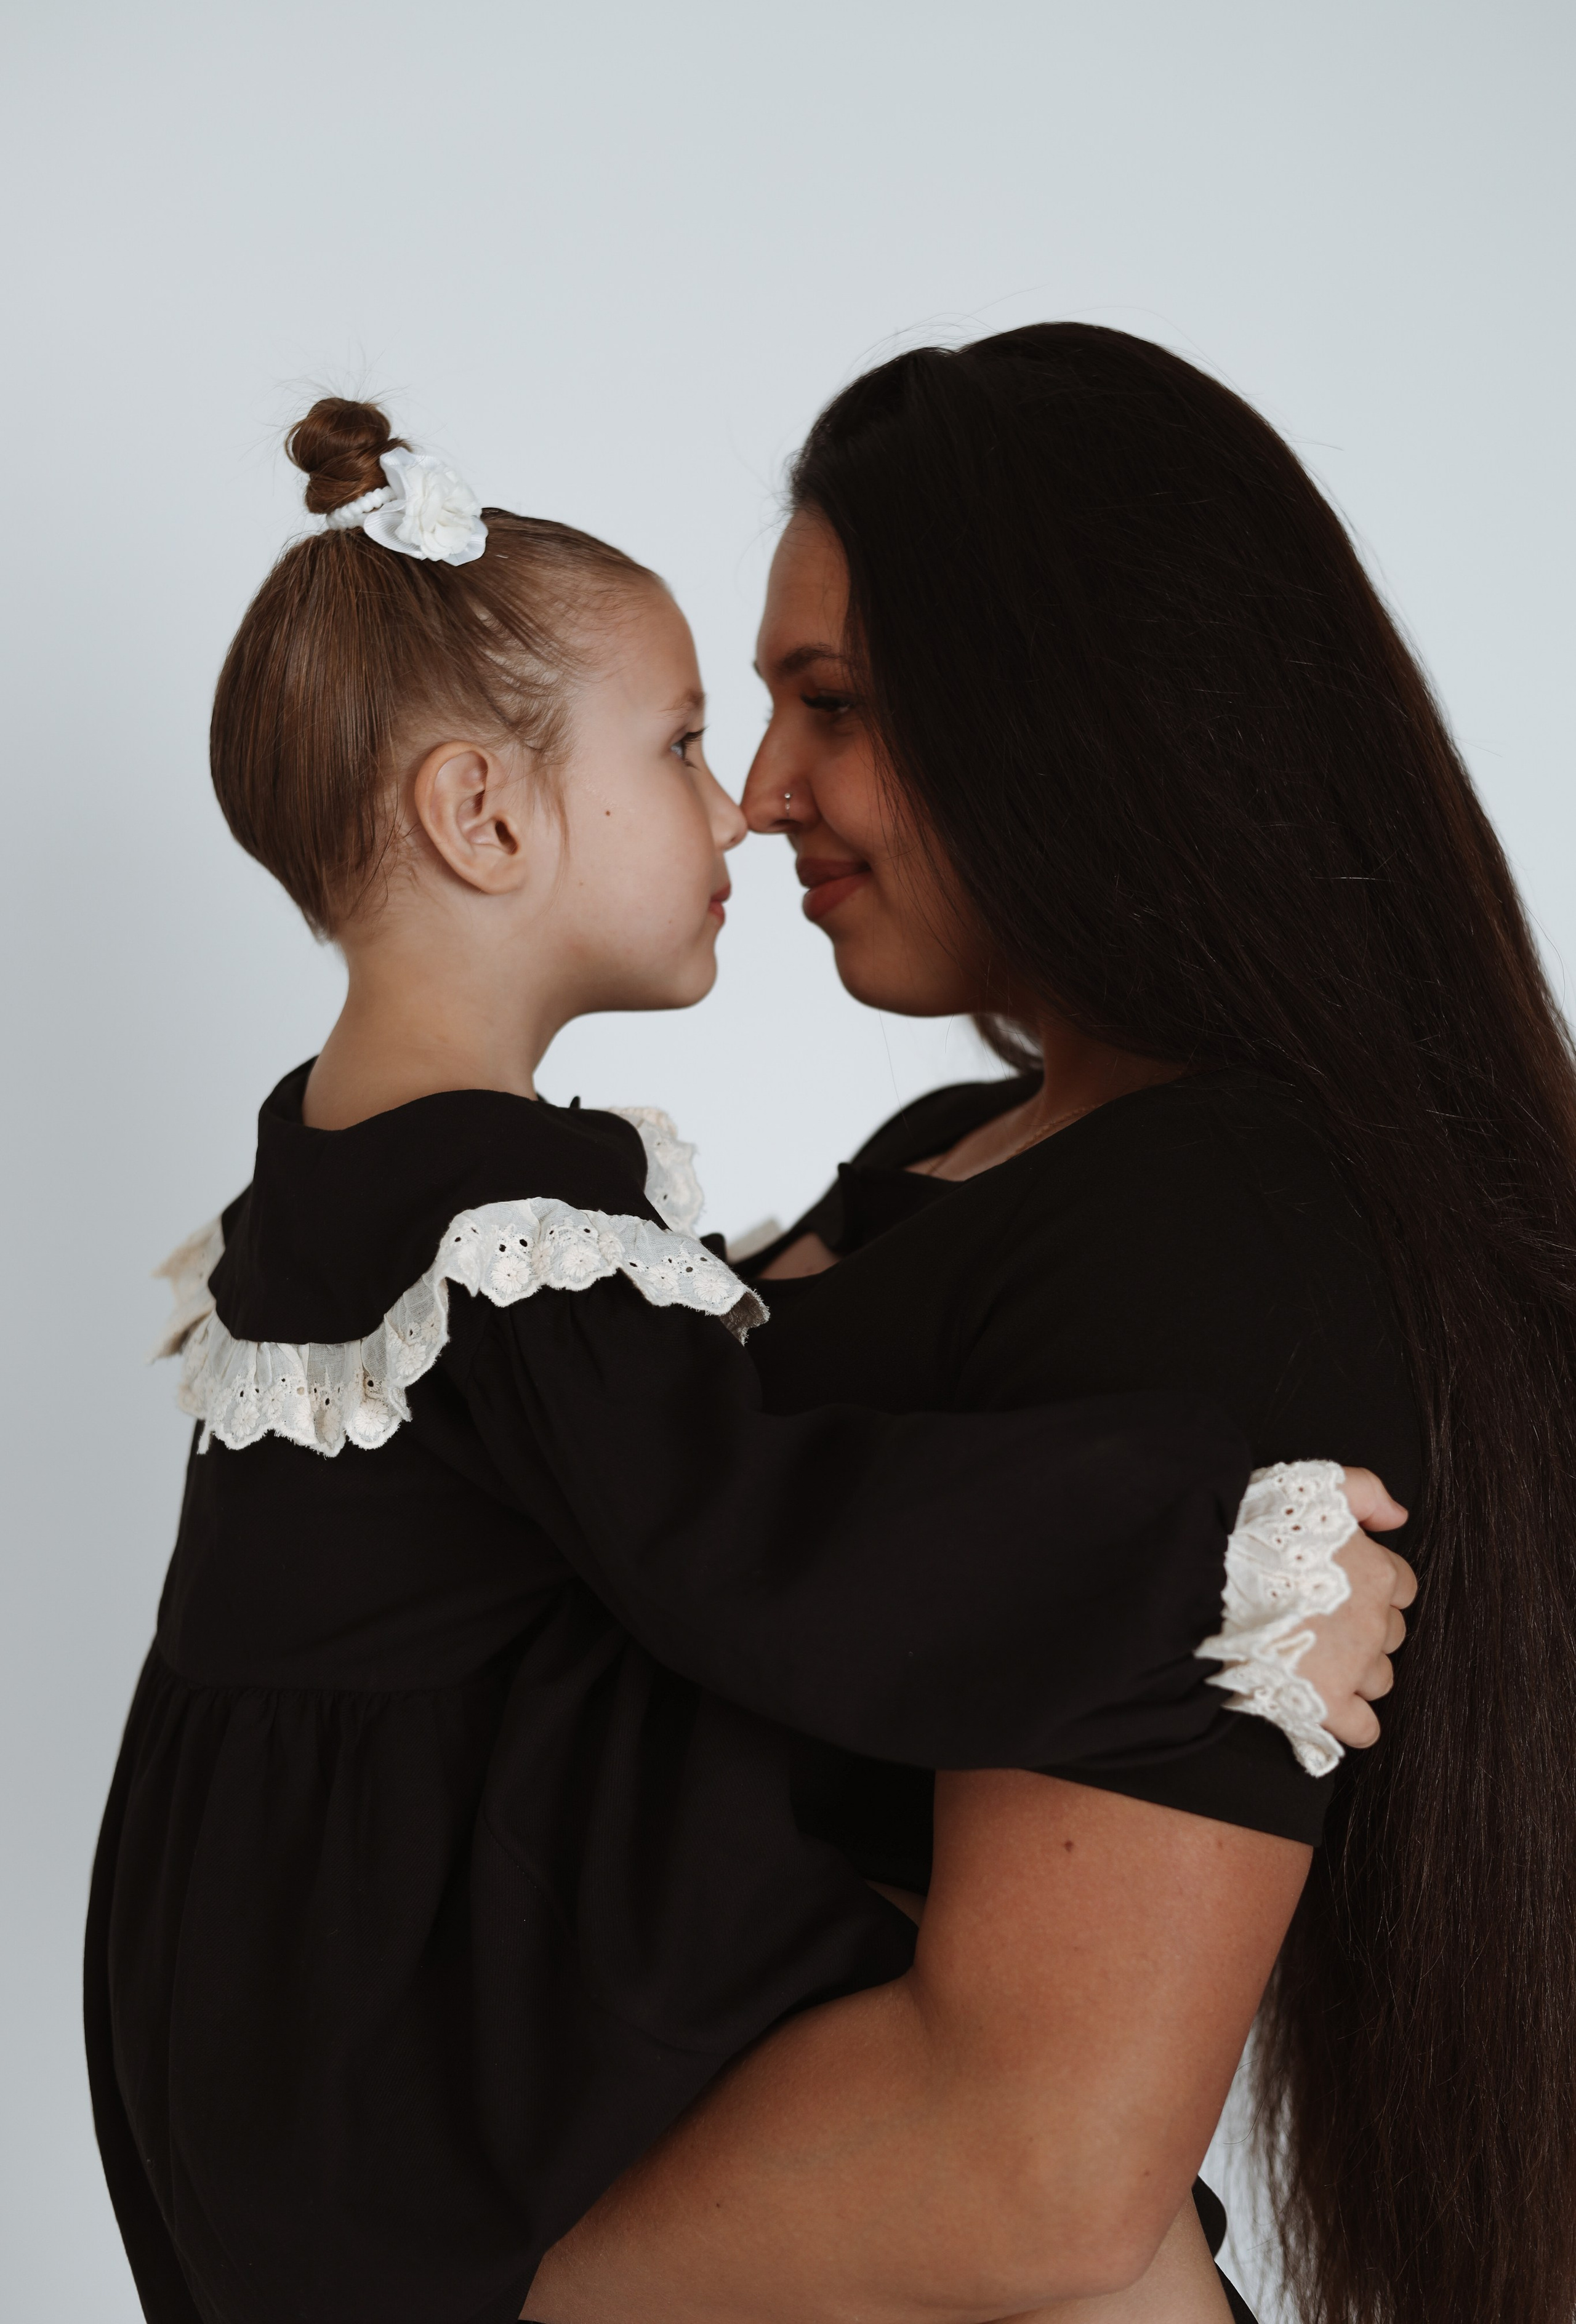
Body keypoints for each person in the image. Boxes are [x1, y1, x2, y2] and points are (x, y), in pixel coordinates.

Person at [85, 398, 1407, 2324]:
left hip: (276, 1999)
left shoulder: (342, 1169)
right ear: (483, 816)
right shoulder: (507, 1230)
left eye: (824, 708)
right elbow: (758, 1540)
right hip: (396, 2037)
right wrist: (1205, 1571)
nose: (744, 802)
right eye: (693, 739)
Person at [525, 326, 1576, 2324]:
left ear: (1078, 716)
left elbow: (1033, 2168)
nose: (762, 793)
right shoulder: (951, 1155)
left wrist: (392, 2256)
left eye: (832, 703)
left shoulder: (1228, 1234)